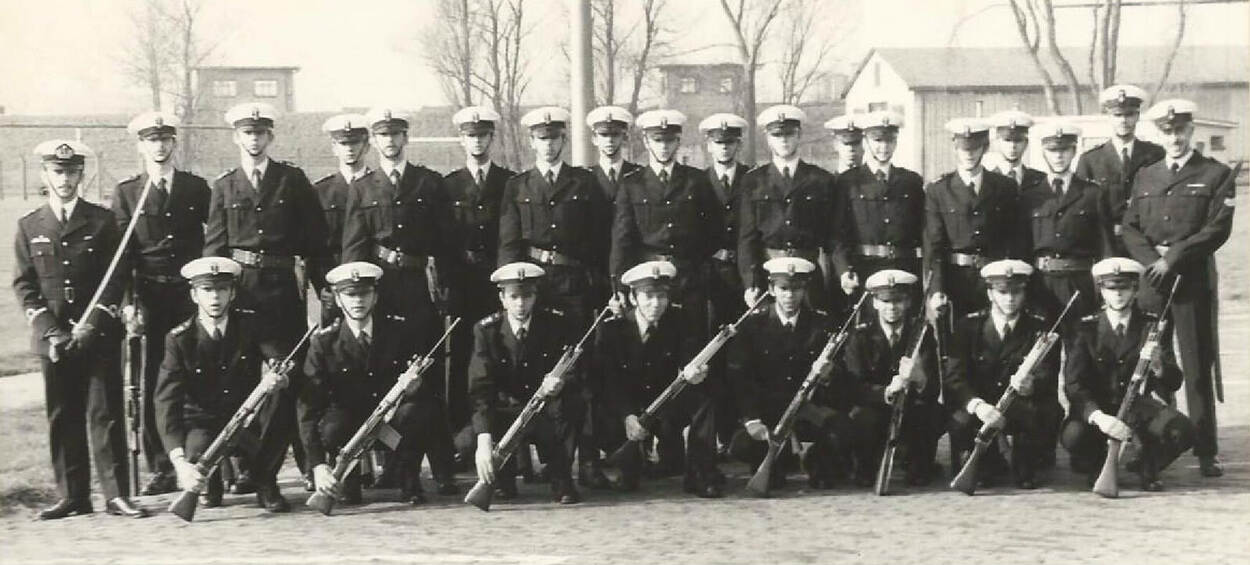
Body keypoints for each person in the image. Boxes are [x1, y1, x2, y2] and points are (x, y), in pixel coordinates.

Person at [14, 140, 146, 519]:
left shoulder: (103, 222)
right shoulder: (29, 226)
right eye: (58, 172)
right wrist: (50, 331)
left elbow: (117, 277)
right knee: (62, 414)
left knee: (105, 413)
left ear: (81, 175)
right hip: (54, 339)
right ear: (45, 174)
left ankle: (116, 495)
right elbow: (24, 285)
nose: (65, 179)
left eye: (71, 172)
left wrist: (94, 321)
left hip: (97, 334)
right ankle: (72, 496)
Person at [203, 101, 327, 493]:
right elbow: (214, 249)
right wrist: (212, 304)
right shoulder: (224, 185)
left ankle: (267, 476)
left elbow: (315, 241)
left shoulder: (292, 179)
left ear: (270, 136)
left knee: (283, 386)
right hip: (239, 298)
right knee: (237, 387)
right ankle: (241, 469)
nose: (254, 139)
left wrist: (324, 293)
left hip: (282, 296)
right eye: (247, 133)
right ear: (236, 137)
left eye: (260, 133)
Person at [1121, 99, 1235, 478]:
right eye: (1167, 131)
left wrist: (1173, 258)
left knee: (1197, 368)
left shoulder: (1215, 174)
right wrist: (1151, 259)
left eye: (1181, 130)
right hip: (1152, 283)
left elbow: (1217, 229)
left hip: (1191, 282)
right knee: (1146, 365)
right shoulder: (1146, 176)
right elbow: (1130, 226)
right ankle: (1148, 442)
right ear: (1160, 133)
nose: (1174, 138)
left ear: (1191, 130)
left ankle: (1206, 450)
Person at [300, 262, 457, 506]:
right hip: (349, 424)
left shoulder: (399, 332)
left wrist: (415, 386)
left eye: (364, 293)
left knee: (420, 412)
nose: (357, 301)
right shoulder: (324, 343)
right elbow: (308, 409)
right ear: (338, 300)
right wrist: (318, 465)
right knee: (331, 427)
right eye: (350, 295)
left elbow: (424, 388)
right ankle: (347, 479)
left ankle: (408, 477)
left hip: (391, 420)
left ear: (375, 296)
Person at [113, 111, 211, 496]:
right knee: (155, 380)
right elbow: (122, 256)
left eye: (165, 139)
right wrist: (128, 303)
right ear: (141, 146)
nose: (159, 146)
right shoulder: (128, 193)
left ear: (174, 143)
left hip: (191, 297)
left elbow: (214, 238)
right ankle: (162, 465)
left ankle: (208, 456)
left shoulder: (195, 188)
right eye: (151, 140)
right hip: (151, 299)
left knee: (202, 372)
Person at [153, 257, 292, 512]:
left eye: (222, 289)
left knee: (281, 400)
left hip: (246, 419)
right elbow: (166, 402)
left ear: (232, 293)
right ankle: (209, 481)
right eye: (207, 290)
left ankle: (266, 481)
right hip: (203, 424)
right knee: (201, 463)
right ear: (194, 295)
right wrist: (180, 463)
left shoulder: (250, 324)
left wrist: (277, 372)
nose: (215, 297)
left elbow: (274, 352)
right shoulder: (179, 339)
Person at [1062, 257, 1193, 491]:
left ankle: (1146, 464)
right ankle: (1097, 464)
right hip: (1100, 406)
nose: (1118, 294)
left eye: (1124, 287)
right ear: (1102, 291)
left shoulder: (1152, 326)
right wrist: (1098, 416)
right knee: (1074, 435)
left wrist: (1158, 366)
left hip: (1137, 405)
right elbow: (1074, 384)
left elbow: (1175, 381)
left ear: (1135, 290)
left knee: (1181, 430)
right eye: (1111, 288)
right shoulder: (1085, 328)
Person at [594, 261, 722, 497]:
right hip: (626, 409)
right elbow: (609, 382)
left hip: (664, 404)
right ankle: (626, 464)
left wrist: (696, 373)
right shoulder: (612, 329)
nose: (656, 303)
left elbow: (689, 355)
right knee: (626, 474)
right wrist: (627, 416)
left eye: (661, 296)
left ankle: (701, 474)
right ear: (633, 298)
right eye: (648, 296)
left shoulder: (679, 321)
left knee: (703, 397)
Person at [727, 257, 851, 489]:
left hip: (806, 408)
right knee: (743, 445)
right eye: (783, 289)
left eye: (796, 289)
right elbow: (741, 379)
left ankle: (816, 461)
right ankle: (779, 461)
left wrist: (827, 373)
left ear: (805, 290)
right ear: (772, 289)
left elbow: (843, 375)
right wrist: (752, 419)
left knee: (841, 430)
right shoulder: (753, 326)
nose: (790, 295)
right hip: (767, 410)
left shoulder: (821, 325)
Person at [464, 263, 583, 504]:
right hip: (506, 411)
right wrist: (484, 439)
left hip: (545, 408)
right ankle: (502, 478)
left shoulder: (554, 324)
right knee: (469, 440)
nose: (521, 303)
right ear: (502, 298)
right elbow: (480, 388)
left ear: (535, 296)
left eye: (527, 296)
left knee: (572, 404)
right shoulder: (486, 331)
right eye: (514, 297)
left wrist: (559, 383)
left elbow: (575, 369)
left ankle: (561, 478)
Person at [342, 106, 459, 338]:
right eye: (383, 135)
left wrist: (446, 285)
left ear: (405, 138)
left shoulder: (429, 182)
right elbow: (354, 245)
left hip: (420, 283)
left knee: (425, 346)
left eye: (395, 134)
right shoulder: (362, 188)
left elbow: (446, 242)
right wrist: (355, 289)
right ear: (373, 141)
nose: (390, 140)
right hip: (380, 283)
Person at [944, 259, 1060, 490]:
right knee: (961, 422)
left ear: (1024, 293)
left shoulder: (1039, 328)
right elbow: (955, 378)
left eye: (1016, 292)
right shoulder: (968, 326)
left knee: (1047, 413)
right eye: (1003, 292)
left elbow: (1049, 373)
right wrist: (978, 406)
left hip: (1018, 405)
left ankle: (1028, 460)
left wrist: (1032, 385)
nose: (1010, 298)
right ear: (990, 294)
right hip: (982, 405)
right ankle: (985, 460)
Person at [498, 106, 613, 325]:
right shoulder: (518, 185)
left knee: (577, 340)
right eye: (542, 139)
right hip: (532, 280)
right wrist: (511, 285)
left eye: (554, 138)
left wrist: (598, 282)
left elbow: (599, 236)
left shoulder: (584, 181)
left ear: (564, 140)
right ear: (532, 142)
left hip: (574, 280)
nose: (548, 145)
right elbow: (509, 242)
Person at [444, 106, 516, 432]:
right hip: (463, 285)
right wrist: (446, 284)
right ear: (462, 139)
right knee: (463, 356)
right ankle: (465, 432)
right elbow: (443, 241)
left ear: (492, 138)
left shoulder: (509, 182)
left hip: (498, 282)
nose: (476, 141)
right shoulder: (449, 185)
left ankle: (503, 427)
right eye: (470, 136)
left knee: (502, 351)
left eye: (482, 135)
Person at [840, 269, 942, 487]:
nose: (892, 307)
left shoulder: (922, 333)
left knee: (933, 413)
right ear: (875, 302)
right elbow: (853, 387)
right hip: (875, 406)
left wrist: (920, 379)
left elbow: (934, 388)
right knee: (861, 417)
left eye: (898, 301)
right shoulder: (860, 335)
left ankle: (919, 464)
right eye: (885, 301)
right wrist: (886, 392)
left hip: (911, 406)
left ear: (908, 302)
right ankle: (866, 465)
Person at [738, 105, 841, 314]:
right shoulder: (753, 181)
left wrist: (841, 272)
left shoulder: (820, 179)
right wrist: (751, 282)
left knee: (813, 328)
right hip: (771, 274)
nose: (783, 140)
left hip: (808, 272)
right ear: (768, 139)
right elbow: (747, 238)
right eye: (777, 135)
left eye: (789, 134)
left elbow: (833, 235)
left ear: (799, 135)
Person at [924, 118, 1029, 319]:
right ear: (955, 148)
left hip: (995, 281)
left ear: (985, 148)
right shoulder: (939, 190)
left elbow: (1015, 239)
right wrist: (936, 289)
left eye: (974, 148)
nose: (969, 154)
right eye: (964, 149)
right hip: (955, 281)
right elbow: (934, 246)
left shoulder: (1004, 187)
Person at [830, 110, 926, 302]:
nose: (884, 147)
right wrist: (844, 270)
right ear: (866, 141)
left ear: (896, 142)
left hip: (905, 270)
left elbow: (923, 231)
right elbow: (838, 235)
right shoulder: (848, 182)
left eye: (889, 140)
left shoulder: (911, 181)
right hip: (864, 270)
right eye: (877, 140)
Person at [698, 112, 751, 454]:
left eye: (730, 143)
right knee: (713, 354)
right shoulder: (699, 182)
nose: (724, 148)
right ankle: (718, 431)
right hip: (711, 278)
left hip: (745, 278)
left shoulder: (753, 179)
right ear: (709, 145)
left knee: (744, 353)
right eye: (718, 143)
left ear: (738, 144)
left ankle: (742, 430)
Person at [1076, 85, 1165, 256]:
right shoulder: (1090, 160)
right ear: (1109, 117)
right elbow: (1083, 208)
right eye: (1117, 115)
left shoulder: (1156, 155)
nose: (1123, 121)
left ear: (1138, 116)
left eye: (1129, 114)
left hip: (1146, 243)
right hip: (1105, 244)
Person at [312, 113, 371, 326]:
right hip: (334, 284)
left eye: (355, 142)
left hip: (372, 285)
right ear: (334, 148)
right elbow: (314, 248)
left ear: (366, 146)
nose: (349, 148)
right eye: (343, 143)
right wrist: (323, 286)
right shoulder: (320, 192)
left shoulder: (378, 187)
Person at [586, 105, 642, 204]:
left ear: (625, 138)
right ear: (594, 139)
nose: (610, 140)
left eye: (615, 134)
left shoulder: (639, 175)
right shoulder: (585, 177)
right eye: (604, 135)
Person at [987, 109, 1046, 190]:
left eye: (1018, 140)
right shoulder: (987, 182)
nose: (1013, 146)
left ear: (1026, 143)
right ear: (997, 142)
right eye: (1007, 140)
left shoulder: (1040, 180)